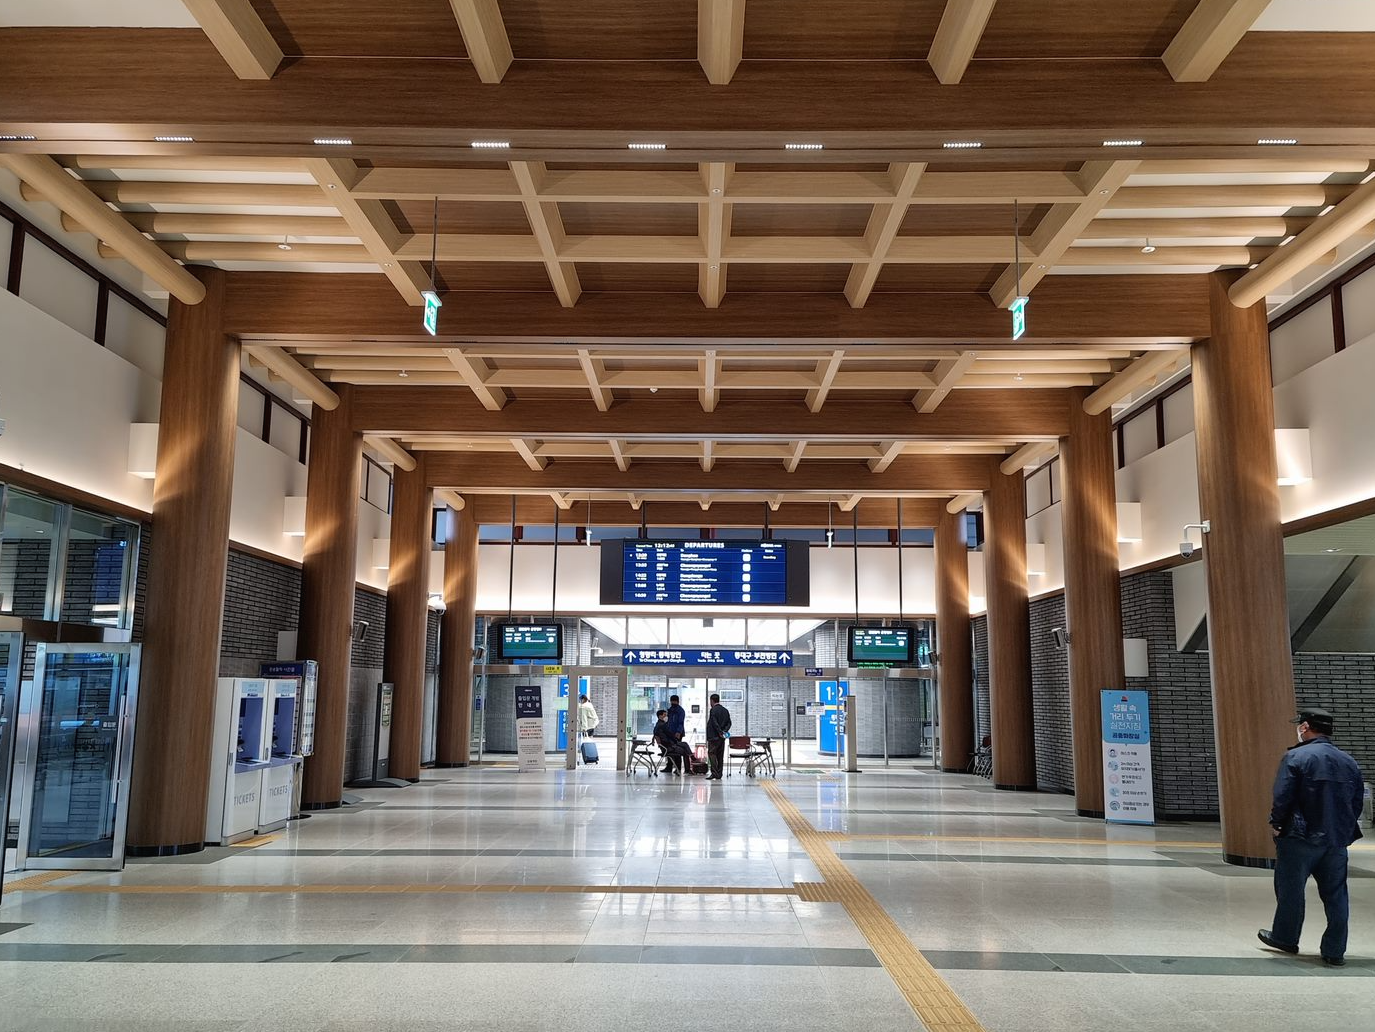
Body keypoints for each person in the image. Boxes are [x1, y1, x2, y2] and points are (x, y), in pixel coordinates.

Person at [1258, 706, 1364, 967]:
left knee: (1291, 890)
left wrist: (1277, 824)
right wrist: (1343, 829)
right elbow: (1356, 801)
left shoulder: (1296, 757)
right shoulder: (1348, 761)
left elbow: (1283, 795)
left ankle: (1285, 938)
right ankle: (1334, 950)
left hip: (1299, 836)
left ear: (1305, 727)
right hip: (1335, 840)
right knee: (1336, 894)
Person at [653, 709, 691, 775]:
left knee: (685, 744)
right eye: (664, 715)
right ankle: (687, 769)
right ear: (660, 716)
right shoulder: (663, 725)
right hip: (668, 747)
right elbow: (669, 735)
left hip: (667, 746)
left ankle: (690, 759)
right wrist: (675, 741)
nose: (666, 717)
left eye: (666, 715)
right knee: (685, 751)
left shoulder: (658, 725)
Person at [705, 693, 732, 780]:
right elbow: (729, 723)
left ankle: (714, 773)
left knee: (711, 753)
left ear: (712, 701)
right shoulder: (725, 710)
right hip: (722, 737)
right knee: (720, 755)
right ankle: (719, 774)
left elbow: (714, 722)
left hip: (714, 736)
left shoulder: (713, 710)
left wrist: (719, 732)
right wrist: (724, 732)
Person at [664, 694, 687, 774]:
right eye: (672, 701)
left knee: (677, 751)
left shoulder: (680, 711)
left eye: (674, 701)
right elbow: (668, 721)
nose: (673, 703)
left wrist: (678, 732)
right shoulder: (670, 710)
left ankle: (678, 767)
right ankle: (669, 766)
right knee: (669, 750)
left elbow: (681, 723)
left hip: (677, 733)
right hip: (670, 733)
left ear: (678, 701)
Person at [576, 693, 598, 758]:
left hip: (588, 726)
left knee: (586, 740)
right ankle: (592, 753)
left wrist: (584, 728)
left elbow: (584, 718)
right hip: (592, 725)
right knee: (590, 740)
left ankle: (588, 754)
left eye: (580, 700)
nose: (580, 701)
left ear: (582, 699)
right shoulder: (589, 704)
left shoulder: (583, 707)